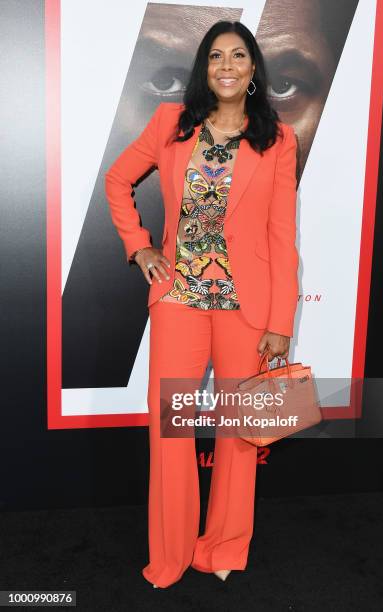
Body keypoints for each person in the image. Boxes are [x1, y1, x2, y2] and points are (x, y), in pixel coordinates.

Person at [105, 20, 299, 589]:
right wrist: (139, 248)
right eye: (216, 56)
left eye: (239, 55)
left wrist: (281, 321)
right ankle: (169, 556)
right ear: (204, 68)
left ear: (254, 69)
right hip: (180, 301)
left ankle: (223, 548)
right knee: (172, 432)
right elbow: (119, 181)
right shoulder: (171, 124)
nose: (228, 66)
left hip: (248, 306)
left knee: (240, 435)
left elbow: (282, 237)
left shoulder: (277, 139)